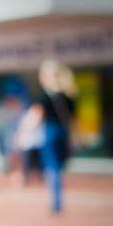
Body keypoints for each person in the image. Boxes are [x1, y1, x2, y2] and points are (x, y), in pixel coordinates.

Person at [27, 60, 76, 213]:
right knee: (59, 168)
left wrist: (25, 132)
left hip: (50, 132)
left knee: (52, 167)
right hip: (64, 132)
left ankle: (56, 202)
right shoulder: (68, 96)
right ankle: (59, 199)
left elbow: (36, 116)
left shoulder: (43, 96)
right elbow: (73, 120)